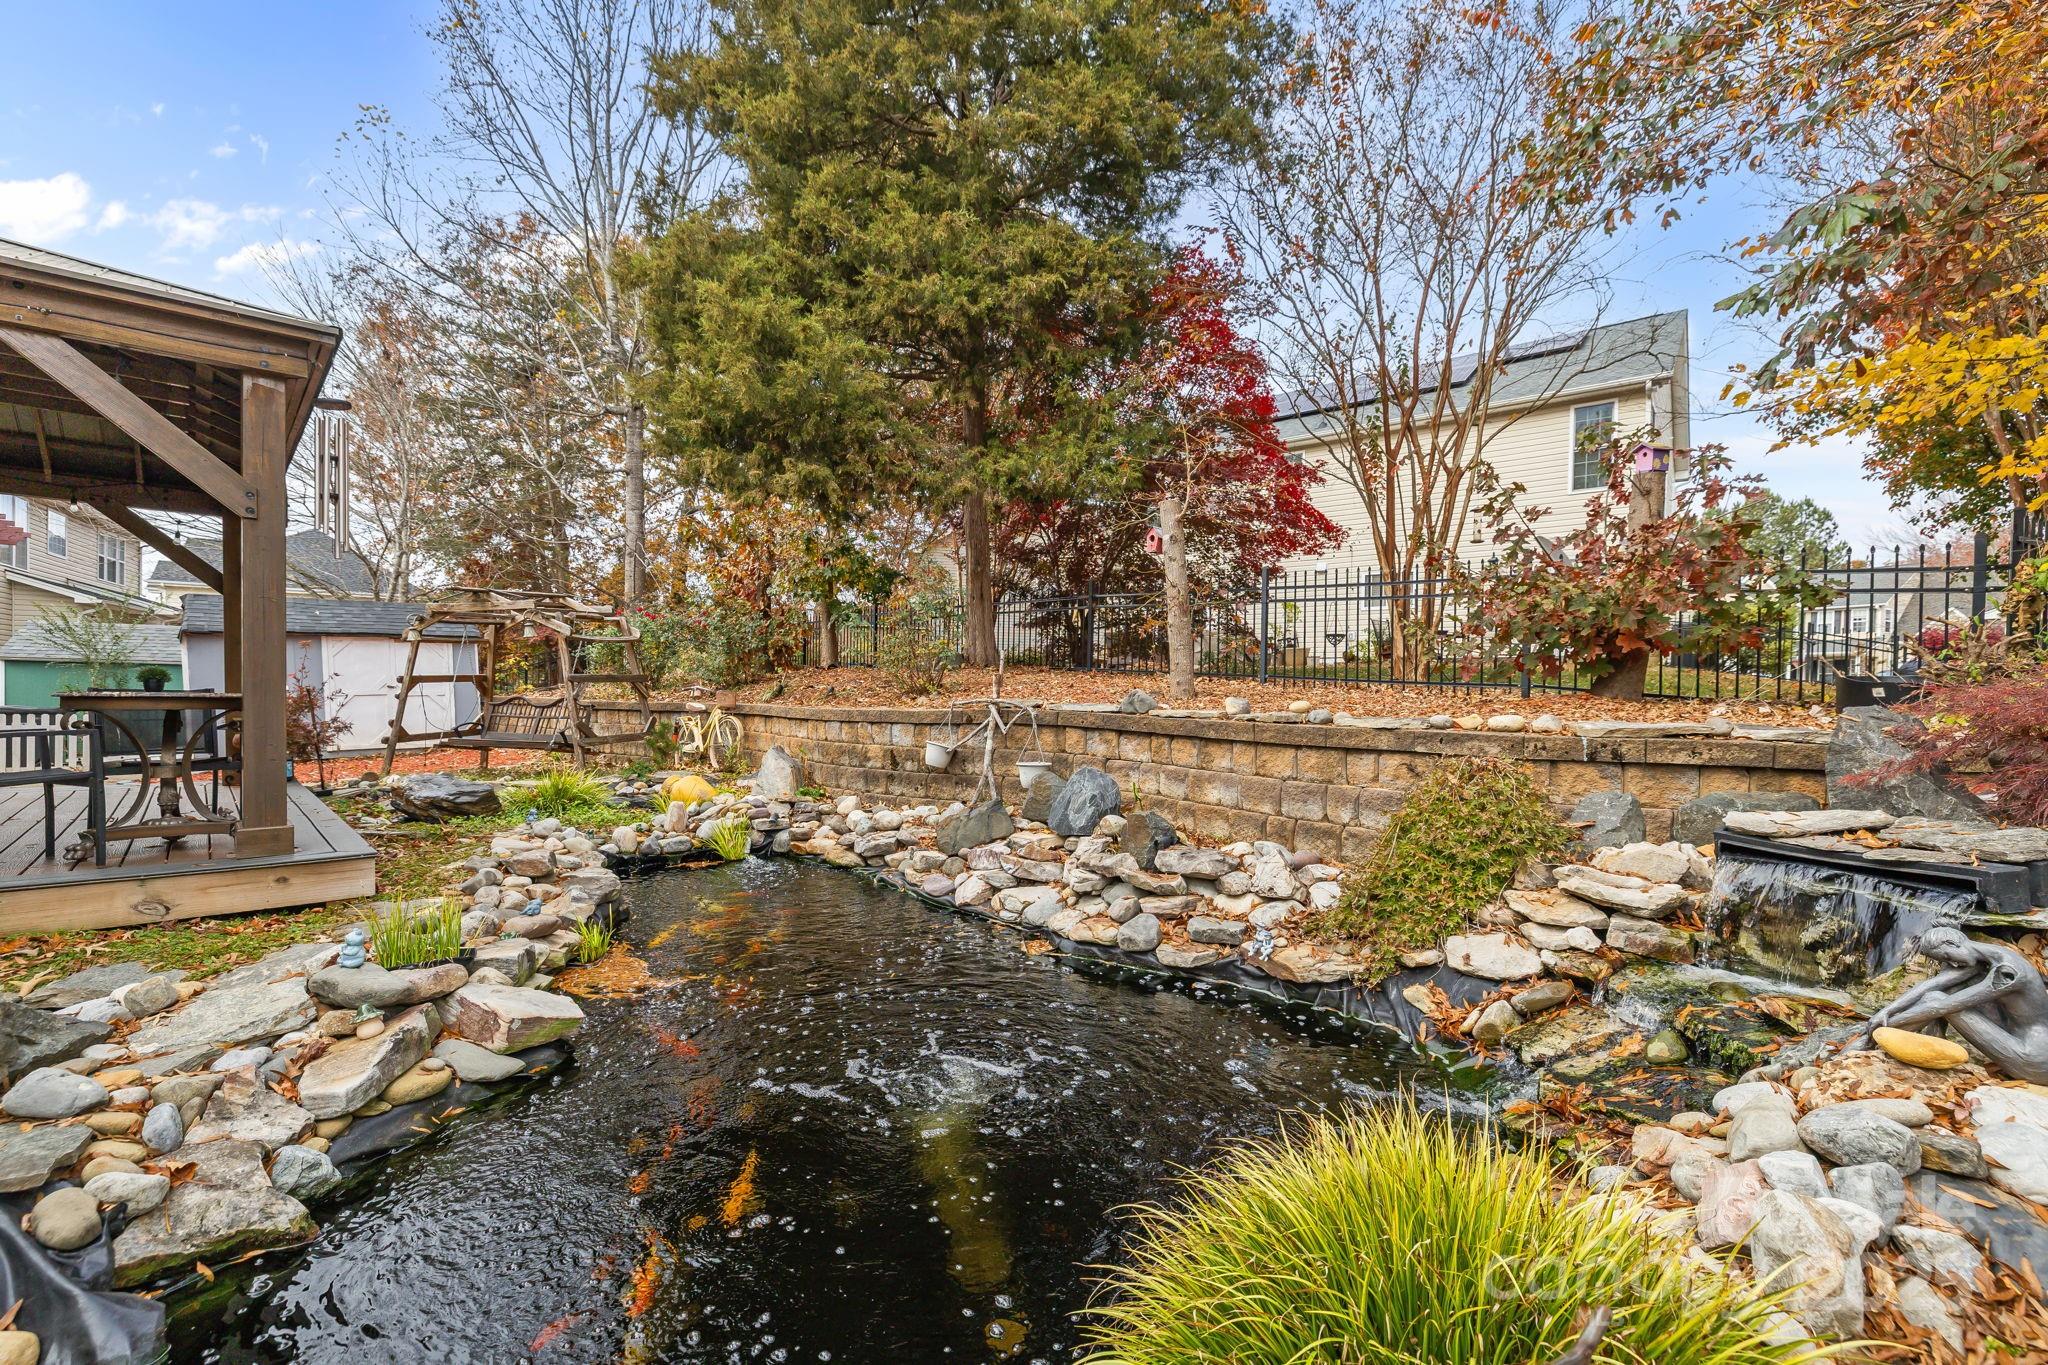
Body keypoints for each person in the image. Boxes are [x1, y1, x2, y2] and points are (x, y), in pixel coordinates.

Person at [1849, 927, 2048, 1084]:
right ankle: (1923, 1042)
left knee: (1937, 1000)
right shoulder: (1980, 957)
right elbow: (1930, 984)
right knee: (1941, 992)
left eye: (1947, 957)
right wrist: (1886, 1010)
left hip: (2035, 1059)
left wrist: (1881, 1026)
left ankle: (1871, 1042)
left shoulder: (2007, 971)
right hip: (2015, 1037)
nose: (1951, 964)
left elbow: (1945, 1006)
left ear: (1953, 943)